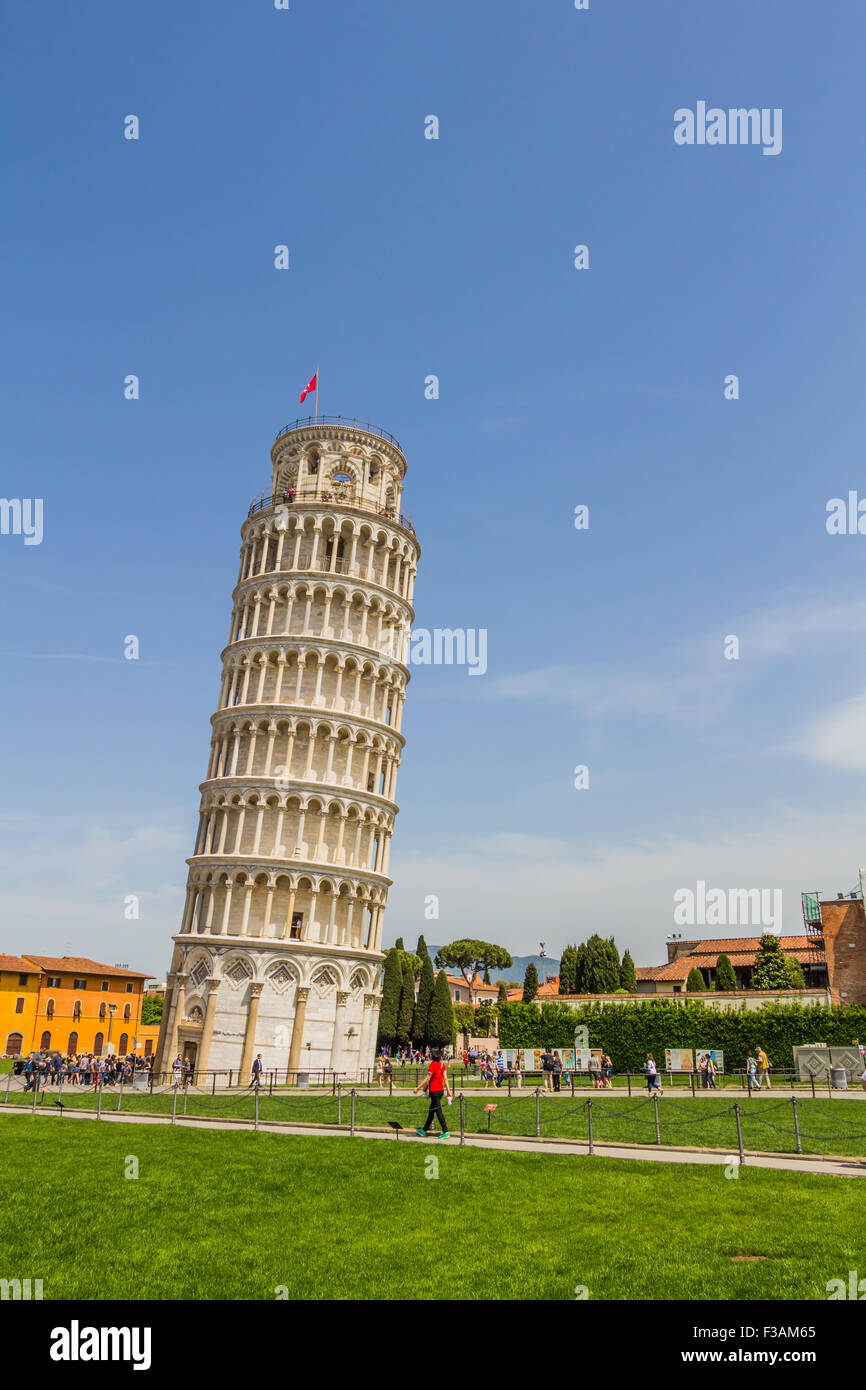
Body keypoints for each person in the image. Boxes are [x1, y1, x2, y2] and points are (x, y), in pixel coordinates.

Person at [413, 1047, 451, 1137]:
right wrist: (448, 1091)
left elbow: (427, 1079)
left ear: (433, 1056)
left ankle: (446, 1132)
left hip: (434, 1092)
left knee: (438, 1112)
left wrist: (417, 1088)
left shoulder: (432, 1065)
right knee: (431, 1111)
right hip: (441, 1091)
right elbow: (445, 1079)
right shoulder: (442, 1065)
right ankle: (424, 1130)